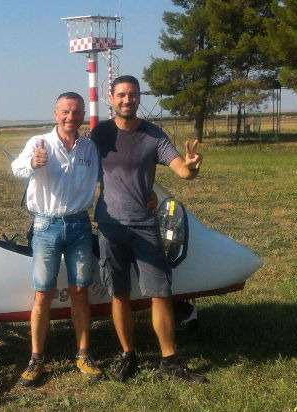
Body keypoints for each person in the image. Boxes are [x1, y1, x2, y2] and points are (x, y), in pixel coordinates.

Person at [90, 75, 206, 383]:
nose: (127, 100)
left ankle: (170, 361)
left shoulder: (153, 134)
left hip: (145, 225)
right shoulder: (100, 134)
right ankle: (128, 354)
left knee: (160, 293)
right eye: (121, 95)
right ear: (111, 99)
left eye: (132, 94)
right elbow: (80, 165)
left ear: (139, 97)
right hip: (111, 225)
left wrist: (191, 167)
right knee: (119, 293)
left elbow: (182, 170)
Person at [11, 92, 102, 386]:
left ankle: (84, 354)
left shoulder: (89, 148)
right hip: (46, 226)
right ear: (56, 114)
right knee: (43, 294)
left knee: (80, 291)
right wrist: (33, 163)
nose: (70, 117)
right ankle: (36, 359)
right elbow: (16, 168)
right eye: (65, 111)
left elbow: (108, 177)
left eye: (76, 112)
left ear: (83, 115)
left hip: (79, 225)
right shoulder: (40, 143)